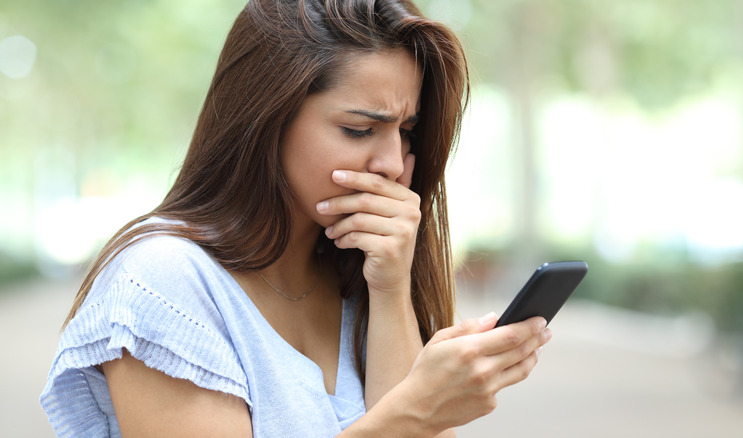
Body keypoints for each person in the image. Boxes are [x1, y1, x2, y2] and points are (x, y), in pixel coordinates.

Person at [40, 0, 552, 436]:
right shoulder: (165, 283)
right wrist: (410, 414)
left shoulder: (360, 275)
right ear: (266, 119)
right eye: (358, 130)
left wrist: (391, 288)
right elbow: (406, 420)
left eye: (406, 131)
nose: (393, 164)